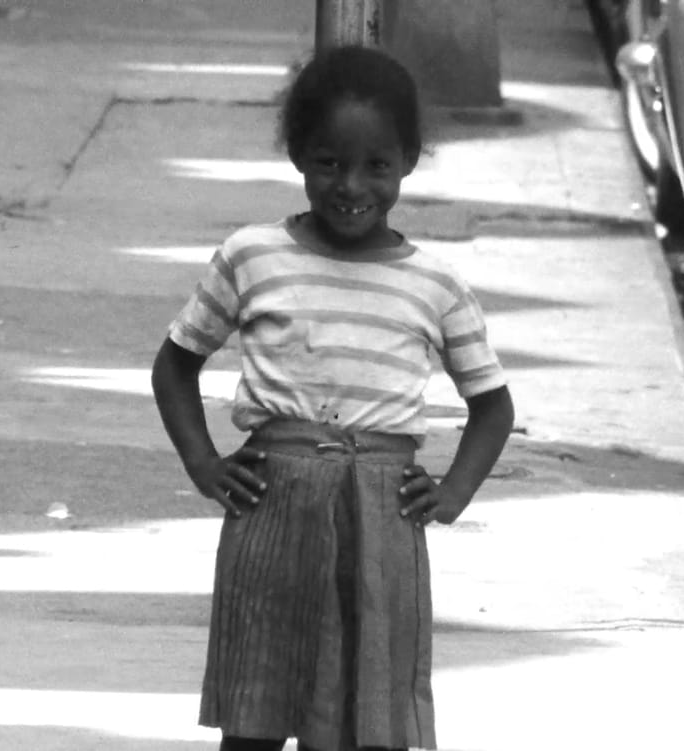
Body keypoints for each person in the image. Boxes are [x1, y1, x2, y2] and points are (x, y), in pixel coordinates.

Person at [150, 45, 515, 751]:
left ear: (409, 160)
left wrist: (451, 493)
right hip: (270, 506)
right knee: (253, 716)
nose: (351, 184)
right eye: (329, 162)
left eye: (377, 164)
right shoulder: (253, 255)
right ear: (297, 155)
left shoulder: (435, 285)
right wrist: (203, 463)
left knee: (364, 722)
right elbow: (175, 364)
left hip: (383, 521)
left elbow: (492, 406)